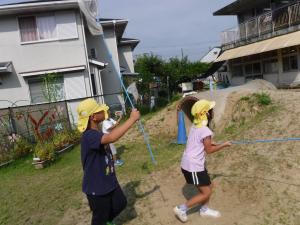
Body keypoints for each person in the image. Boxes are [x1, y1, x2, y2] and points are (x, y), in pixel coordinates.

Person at [77, 98, 140, 225]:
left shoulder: (97, 132)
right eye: (99, 110)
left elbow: (111, 134)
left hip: (108, 180)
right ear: (93, 117)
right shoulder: (89, 135)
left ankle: (107, 221)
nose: (104, 110)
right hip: (97, 187)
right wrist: (132, 119)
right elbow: (111, 137)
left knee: (120, 203)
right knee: (99, 218)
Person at [173, 99, 231, 223]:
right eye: (210, 110)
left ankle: (204, 210)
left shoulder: (196, 125)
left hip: (192, 163)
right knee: (206, 192)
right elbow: (209, 150)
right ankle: (181, 209)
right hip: (193, 166)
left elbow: (200, 142)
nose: (212, 112)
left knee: (209, 186)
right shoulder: (205, 130)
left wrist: (211, 142)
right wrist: (224, 145)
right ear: (205, 113)